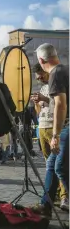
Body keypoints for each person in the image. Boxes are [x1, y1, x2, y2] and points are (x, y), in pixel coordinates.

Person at [32, 43, 69, 216]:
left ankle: (64, 198)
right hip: (63, 126)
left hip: (65, 127)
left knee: (60, 167)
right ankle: (46, 204)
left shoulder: (55, 74)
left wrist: (55, 134)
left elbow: (60, 105)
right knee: (51, 165)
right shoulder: (65, 70)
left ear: (41, 59)